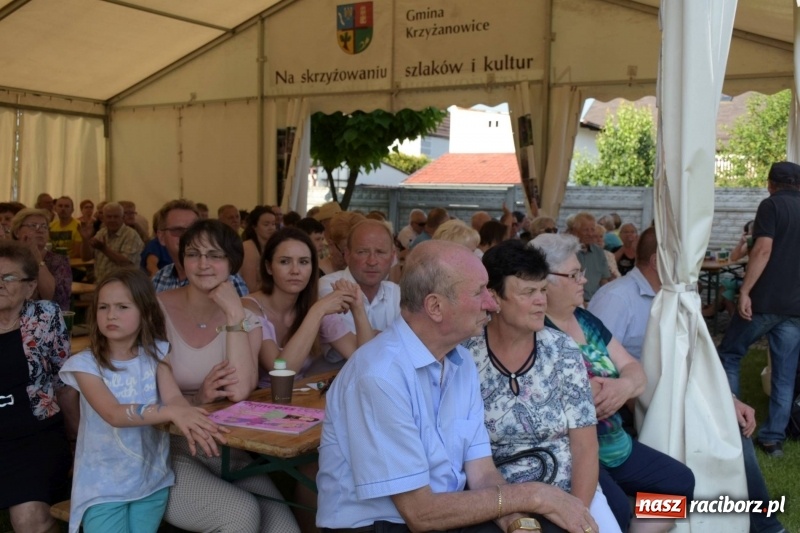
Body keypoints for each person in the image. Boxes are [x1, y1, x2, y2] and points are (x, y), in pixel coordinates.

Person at [317, 240, 599, 533]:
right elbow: (420, 513)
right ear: (435, 307)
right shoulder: (380, 375)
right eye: (479, 292)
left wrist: (518, 522)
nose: (491, 303)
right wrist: (536, 496)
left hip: (446, 517)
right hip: (381, 526)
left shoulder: (460, 360)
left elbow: (483, 473)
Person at [588, 229, 788, 533]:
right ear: (658, 261)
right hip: (633, 406)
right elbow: (597, 367)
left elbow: (695, 365)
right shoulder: (616, 298)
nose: (694, 266)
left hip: (676, 396)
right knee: (707, 437)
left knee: (731, 427)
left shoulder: (680, 300)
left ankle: (760, 522)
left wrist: (727, 399)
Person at [532, 233, 694, 533]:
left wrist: (622, 387)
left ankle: (636, 525)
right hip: (577, 454)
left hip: (616, 444)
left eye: (580, 271)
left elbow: (634, 369)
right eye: (574, 274)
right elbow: (571, 398)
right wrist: (615, 387)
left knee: (678, 482)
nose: (584, 279)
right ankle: (628, 517)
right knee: (617, 510)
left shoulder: (585, 319)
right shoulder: (536, 331)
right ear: (544, 282)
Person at [464, 240, 620, 533]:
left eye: (543, 290)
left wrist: (577, 509)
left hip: (570, 487)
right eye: (528, 292)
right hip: (495, 498)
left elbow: (585, 446)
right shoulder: (466, 354)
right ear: (494, 297)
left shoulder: (562, 350)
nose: (541, 301)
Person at [60, 267, 227, 533]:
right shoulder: (84, 365)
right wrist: (172, 412)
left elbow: (173, 397)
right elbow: (113, 413)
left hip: (151, 480)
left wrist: (190, 417)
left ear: (146, 312)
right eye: (103, 307)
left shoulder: (157, 354)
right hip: (103, 486)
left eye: (122, 307)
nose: (111, 315)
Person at [157, 219, 299, 532]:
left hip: (225, 448)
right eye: (194, 254)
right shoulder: (154, 310)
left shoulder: (247, 317)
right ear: (182, 260)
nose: (204, 264)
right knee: (239, 515)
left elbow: (240, 390)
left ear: (232, 263)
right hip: (167, 447)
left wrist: (235, 316)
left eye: (215, 255)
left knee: (285, 529)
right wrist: (196, 399)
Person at [718, 161, 800, 458]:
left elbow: (763, 249)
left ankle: (732, 425)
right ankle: (772, 439)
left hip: (764, 301)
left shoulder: (771, 206)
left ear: (770, 183)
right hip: (795, 307)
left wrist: (745, 290)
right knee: (785, 374)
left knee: (729, 354)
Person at [0, 241, 76, 533]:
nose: (0, 284)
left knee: (29, 519)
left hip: (33, 438)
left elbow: (64, 382)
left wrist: (77, 442)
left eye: (8, 277)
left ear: (30, 287)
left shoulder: (44, 317)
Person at [243, 227, 374, 384]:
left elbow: (364, 360)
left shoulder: (316, 306)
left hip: (299, 401)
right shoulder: (249, 307)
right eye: (284, 261)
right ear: (269, 267)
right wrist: (317, 312)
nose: (295, 270)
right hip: (255, 403)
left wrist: (358, 307)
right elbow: (280, 372)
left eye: (304, 262)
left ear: (313, 268)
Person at [318, 220, 400, 367]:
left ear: (392, 257)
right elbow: (362, 355)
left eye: (380, 252)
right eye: (362, 252)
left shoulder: (395, 291)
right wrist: (390, 339)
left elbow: (414, 345)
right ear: (347, 255)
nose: (372, 261)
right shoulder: (329, 287)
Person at [588, 227, 659, 362]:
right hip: (633, 382)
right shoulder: (615, 298)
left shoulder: (670, 295)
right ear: (656, 262)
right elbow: (596, 360)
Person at [151, 199, 248, 296]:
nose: (187, 235)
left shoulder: (226, 279)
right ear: (162, 237)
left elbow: (240, 310)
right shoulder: (159, 278)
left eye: (193, 230)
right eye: (178, 230)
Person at [11, 208, 71, 311]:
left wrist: (37, 258)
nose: (40, 230)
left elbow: (51, 298)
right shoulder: (8, 258)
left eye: (44, 226)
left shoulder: (59, 262)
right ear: (17, 232)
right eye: (33, 226)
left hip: (47, 319)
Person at [80, 202, 144, 280]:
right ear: (103, 218)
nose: (112, 220)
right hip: (101, 283)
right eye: (109, 217)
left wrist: (104, 249)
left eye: (116, 217)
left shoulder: (131, 235)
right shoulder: (101, 232)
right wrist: (85, 239)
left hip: (124, 285)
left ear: (123, 218)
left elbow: (127, 264)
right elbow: (86, 258)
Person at [569, 212, 612, 302]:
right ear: (575, 231)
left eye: (592, 230)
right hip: (574, 302)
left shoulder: (599, 252)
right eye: (586, 230)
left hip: (596, 301)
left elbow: (603, 280)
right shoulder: (568, 252)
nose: (590, 234)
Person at [241, 206, 278, 292]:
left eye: (273, 224)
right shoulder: (248, 247)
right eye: (266, 224)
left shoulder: (273, 246)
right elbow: (250, 287)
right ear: (254, 226)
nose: (271, 228)